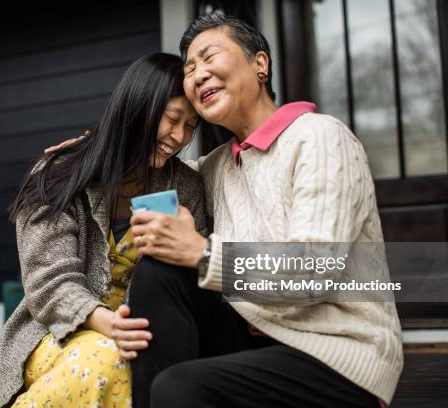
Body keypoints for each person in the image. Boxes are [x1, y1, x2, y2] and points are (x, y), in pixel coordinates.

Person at [123, 13, 403, 408]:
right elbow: (147, 168)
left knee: (180, 388)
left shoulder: (319, 137)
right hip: (254, 339)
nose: (198, 75)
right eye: (189, 68)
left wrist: (202, 254)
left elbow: (313, 273)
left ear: (260, 64)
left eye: (209, 57)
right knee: (158, 270)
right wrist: (92, 150)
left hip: (336, 355)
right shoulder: (218, 166)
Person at [0, 53, 207, 408]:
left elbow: (187, 283)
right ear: (138, 107)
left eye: (191, 126)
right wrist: (108, 324)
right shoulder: (60, 174)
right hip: (54, 333)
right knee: (106, 362)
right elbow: (49, 282)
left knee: (132, 369)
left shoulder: (186, 189)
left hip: (144, 339)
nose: (179, 136)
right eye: (171, 119)